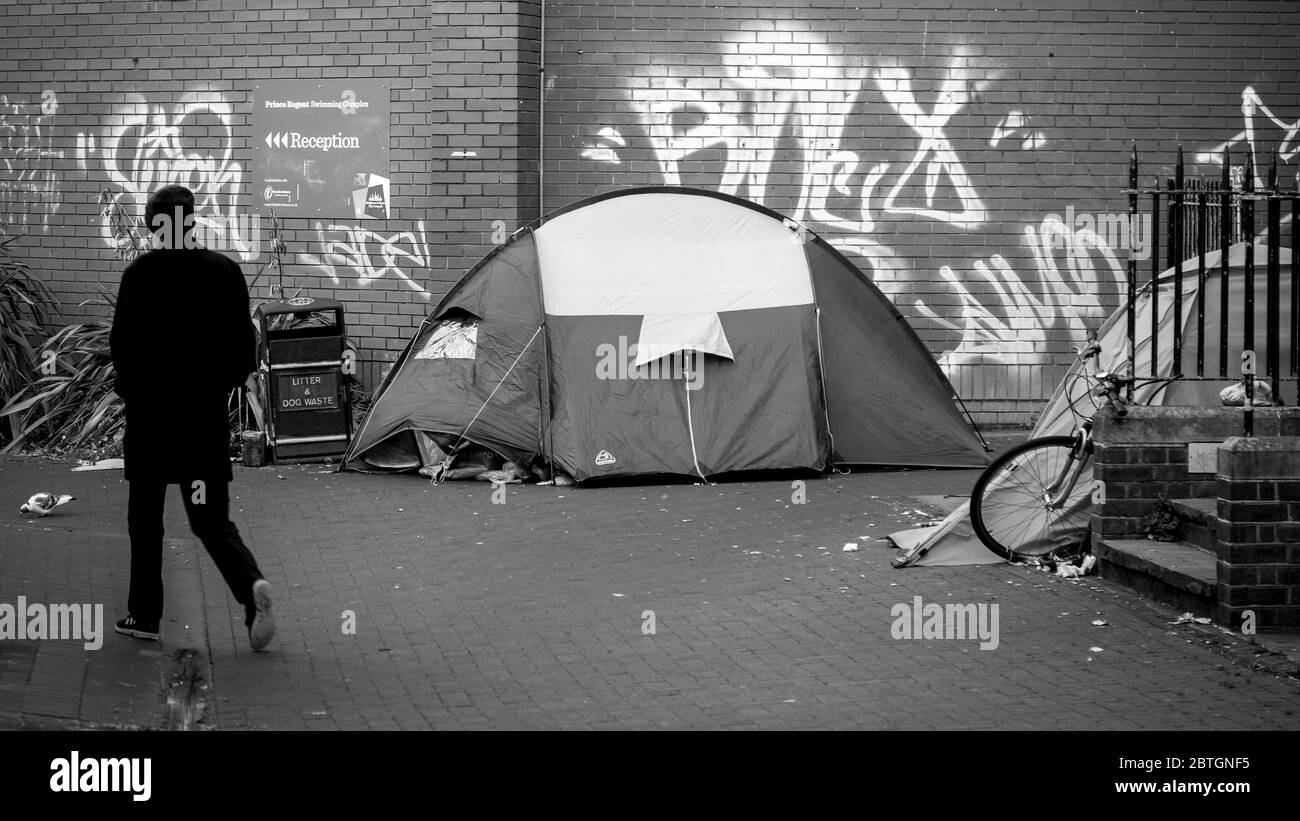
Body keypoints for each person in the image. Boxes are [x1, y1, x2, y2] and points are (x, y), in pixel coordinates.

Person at [109, 185, 276, 651]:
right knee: (210, 522)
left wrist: (135, 392)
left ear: (153, 224)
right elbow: (244, 350)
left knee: (145, 521)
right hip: (201, 421)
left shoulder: (140, 274)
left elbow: (122, 348)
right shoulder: (223, 271)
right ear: (192, 220)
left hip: (151, 423)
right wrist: (215, 386)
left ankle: (144, 616)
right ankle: (251, 588)